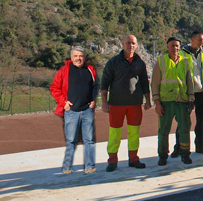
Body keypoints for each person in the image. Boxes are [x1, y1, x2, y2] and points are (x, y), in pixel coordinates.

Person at [100, 35, 152, 172]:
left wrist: (148, 100)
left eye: (133, 43)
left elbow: (144, 83)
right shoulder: (113, 62)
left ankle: (133, 159)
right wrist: (104, 102)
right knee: (115, 134)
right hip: (116, 104)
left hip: (135, 104)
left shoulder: (140, 63)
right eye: (128, 43)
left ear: (137, 45)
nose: (131, 46)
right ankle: (112, 161)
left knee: (134, 133)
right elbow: (104, 82)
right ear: (122, 44)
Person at [50, 46, 99, 174]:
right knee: (71, 140)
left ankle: (90, 166)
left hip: (87, 111)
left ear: (84, 57)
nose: (79, 58)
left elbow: (95, 86)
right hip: (71, 112)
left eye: (81, 56)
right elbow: (54, 88)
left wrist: (93, 100)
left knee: (89, 140)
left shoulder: (90, 70)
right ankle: (67, 167)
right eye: (76, 56)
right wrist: (63, 102)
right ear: (71, 58)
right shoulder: (64, 71)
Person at [152, 37, 195, 166]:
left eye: (177, 46)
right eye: (172, 45)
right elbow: (155, 83)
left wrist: (191, 98)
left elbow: (189, 80)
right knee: (164, 130)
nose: (175, 48)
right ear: (167, 47)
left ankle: (185, 154)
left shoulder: (186, 61)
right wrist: (157, 102)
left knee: (184, 128)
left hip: (182, 100)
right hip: (166, 101)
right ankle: (163, 155)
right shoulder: (161, 61)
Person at [174, 30, 203, 156]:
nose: (202, 42)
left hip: (202, 93)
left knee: (200, 121)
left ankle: (200, 145)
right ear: (192, 39)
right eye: (199, 40)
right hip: (187, 93)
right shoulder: (181, 54)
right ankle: (179, 147)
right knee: (183, 121)